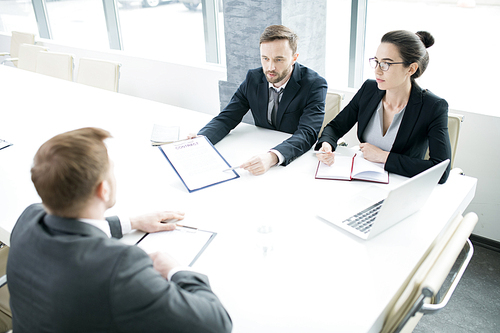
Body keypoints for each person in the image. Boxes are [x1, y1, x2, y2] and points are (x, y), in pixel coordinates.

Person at [6, 127, 232, 333]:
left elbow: (71, 227)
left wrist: (131, 222)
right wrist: (175, 270)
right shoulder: (119, 267)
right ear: (103, 190)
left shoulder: (28, 217)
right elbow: (215, 324)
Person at [316, 30, 451, 184]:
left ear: (411, 69)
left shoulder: (433, 106)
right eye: (376, 61)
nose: (377, 70)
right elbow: (335, 127)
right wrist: (326, 145)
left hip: (400, 186)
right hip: (361, 178)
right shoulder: (369, 89)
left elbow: (442, 171)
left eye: (386, 64)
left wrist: (383, 157)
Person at [197, 25, 328, 175]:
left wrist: (272, 157)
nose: (270, 67)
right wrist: (200, 140)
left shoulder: (315, 84)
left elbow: (307, 134)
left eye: (279, 59)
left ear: (294, 58)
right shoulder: (253, 78)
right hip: (256, 149)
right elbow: (227, 117)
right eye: (265, 58)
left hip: (293, 162)